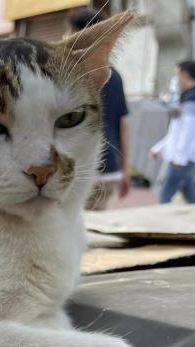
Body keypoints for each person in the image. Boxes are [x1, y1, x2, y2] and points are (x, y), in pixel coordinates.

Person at [68, 9, 130, 210]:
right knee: (96, 229)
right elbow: (123, 127)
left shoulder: (67, 73)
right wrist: (125, 169)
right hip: (108, 166)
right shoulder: (115, 76)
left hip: (76, 168)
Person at [151, 60, 195, 204]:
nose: (175, 79)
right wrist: (159, 148)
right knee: (190, 197)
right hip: (185, 157)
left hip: (183, 159)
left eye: (177, 75)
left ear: (185, 75)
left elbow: (188, 132)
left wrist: (179, 159)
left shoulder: (192, 100)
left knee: (164, 197)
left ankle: (163, 225)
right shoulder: (186, 97)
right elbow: (176, 131)